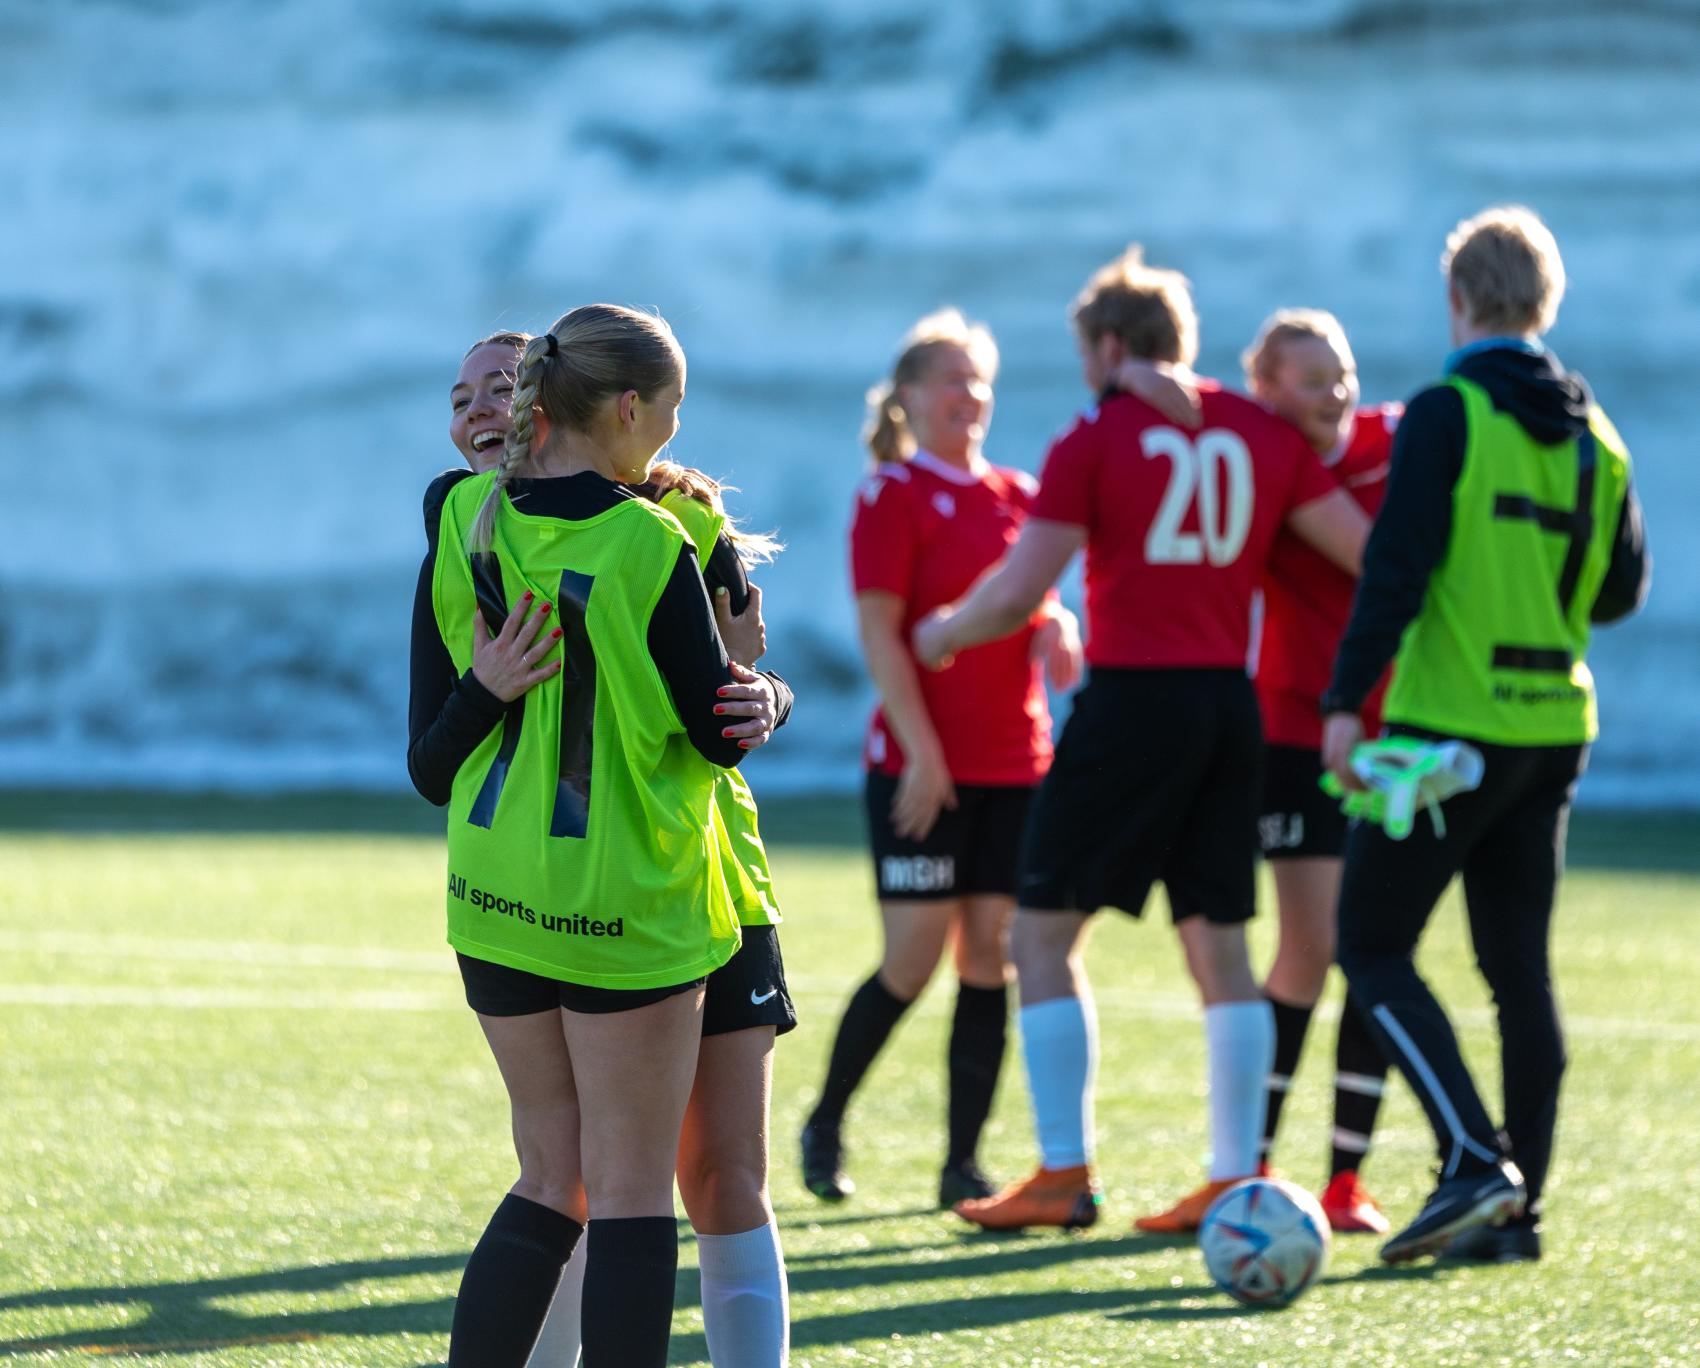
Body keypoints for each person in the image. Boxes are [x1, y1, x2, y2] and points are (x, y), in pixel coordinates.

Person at [914, 248, 1370, 1234]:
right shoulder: (1254, 431)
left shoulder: (1094, 436)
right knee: (1219, 944)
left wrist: (942, 631)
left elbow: (1018, 589)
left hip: (1132, 704)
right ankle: (1228, 1177)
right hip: (1227, 707)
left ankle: (1061, 1175)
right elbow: (1366, 555)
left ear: (1110, 346)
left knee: (1036, 935)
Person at [408, 305, 788, 1367]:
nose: (481, 409)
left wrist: (486, 692)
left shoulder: (458, 523)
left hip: (493, 897)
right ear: (628, 408)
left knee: (550, 1177)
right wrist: (764, 686)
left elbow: (428, 769)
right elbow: (719, 737)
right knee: (626, 1192)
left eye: (499, 387)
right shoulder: (648, 543)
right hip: (631, 895)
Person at [1322, 206, 1650, 1264]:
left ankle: (1472, 1160)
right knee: (1518, 971)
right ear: (1542, 302)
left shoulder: (1450, 408)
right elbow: (1618, 594)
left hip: (1446, 733)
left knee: (1369, 943)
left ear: (1456, 300)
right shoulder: (1597, 437)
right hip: (1555, 727)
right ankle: (1517, 1215)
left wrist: (1341, 701)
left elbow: (1393, 568)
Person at [800, 309, 1081, 1210]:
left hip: (1016, 765)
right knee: (913, 959)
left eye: (980, 379)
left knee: (988, 958)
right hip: (921, 768)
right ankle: (826, 1120)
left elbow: (1030, 598)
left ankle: (962, 1164)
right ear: (911, 396)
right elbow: (883, 639)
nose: (971, 395)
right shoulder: (892, 495)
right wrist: (923, 757)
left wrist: (1060, 628)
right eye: (952, 379)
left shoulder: (1018, 491)